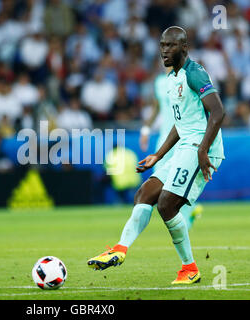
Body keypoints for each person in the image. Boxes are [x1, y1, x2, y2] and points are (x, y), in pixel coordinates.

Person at [87, 26, 225, 285]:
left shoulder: (195, 73)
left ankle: (190, 269)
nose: (164, 50)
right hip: (184, 144)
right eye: (162, 45)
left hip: (200, 147)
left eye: (170, 45)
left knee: (166, 204)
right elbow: (180, 123)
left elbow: (218, 112)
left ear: (184, 48)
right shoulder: (171, 79)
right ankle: (120, 249)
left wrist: (204, 149)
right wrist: (159, 155)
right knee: (144, 193)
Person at [139, 66, 203, 230]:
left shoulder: (187, 78)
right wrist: (146, 130)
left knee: (183, 181)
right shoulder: (160, 82)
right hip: (164, 139)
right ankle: (186, 213)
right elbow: (156, 107)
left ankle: (187, 217)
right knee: (158, 181)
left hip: (185, 138)